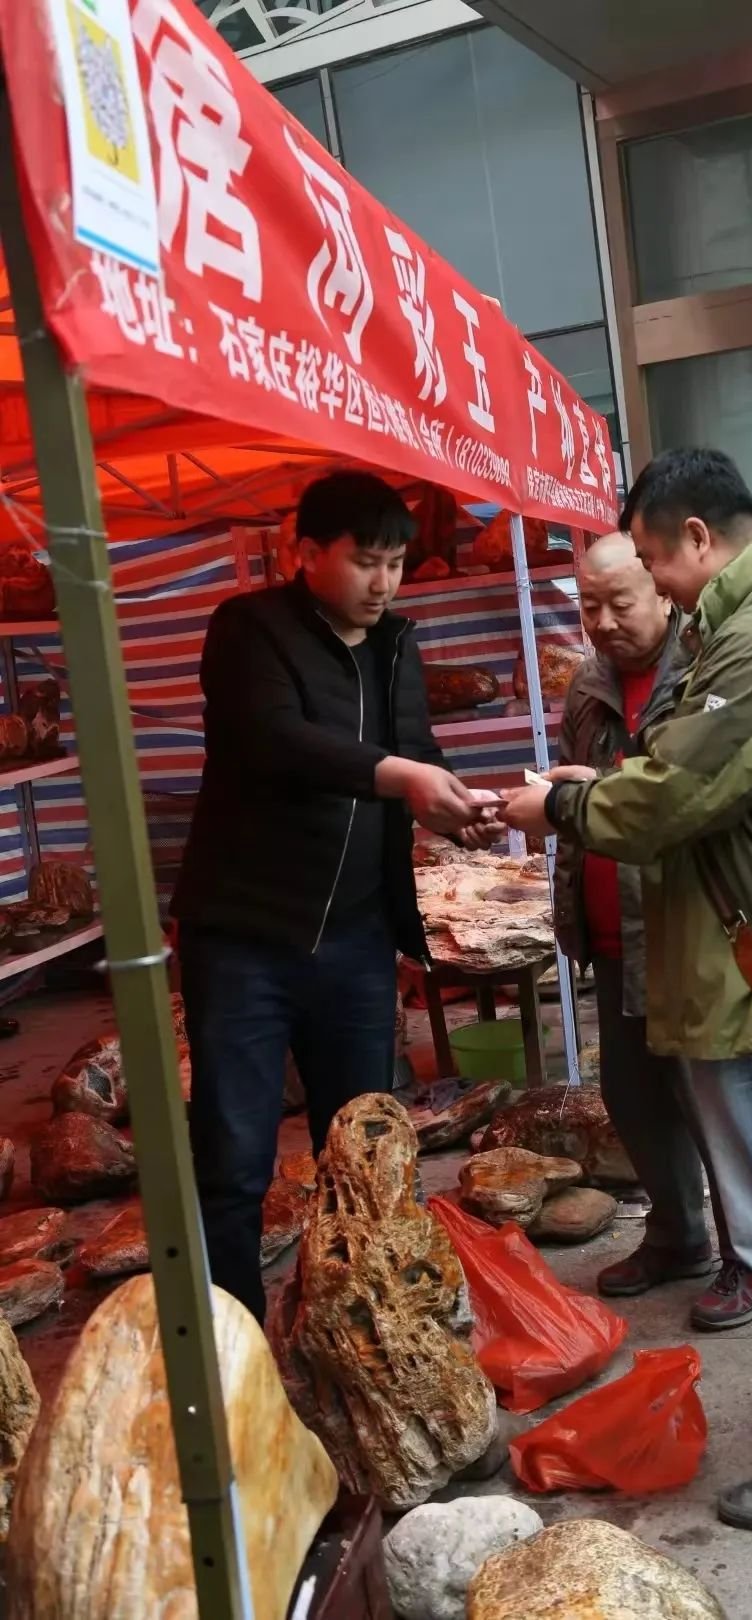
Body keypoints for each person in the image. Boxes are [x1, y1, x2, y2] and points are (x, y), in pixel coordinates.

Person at [504, 447, 752, 1531]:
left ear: (695, 538)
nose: (649, 589)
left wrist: (565, 807)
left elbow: (672, 794)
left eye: (650, 564)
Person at [173, 469, 493, 1324]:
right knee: (234, 1156)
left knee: (362, 1148)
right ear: (305, 552)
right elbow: (275, 741)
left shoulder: (396, 645)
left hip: (354, 939)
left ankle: (362, 1326)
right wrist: (403, 777)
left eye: (396, 563)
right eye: (365, 562)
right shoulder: (248, 629)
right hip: (244, 937)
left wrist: (457, 810)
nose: (384, 583)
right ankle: (233, 1340)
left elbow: (418, 749)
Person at [553, 533, 752, 1330]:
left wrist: (596, 791)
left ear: (662, 594)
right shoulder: (586, 686)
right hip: (611, 935)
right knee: (633, 1095)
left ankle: (751, 1257)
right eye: (589, 606)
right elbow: (578, 810)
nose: (603, 621)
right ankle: (678, 1236)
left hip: (683, 931)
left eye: (619, 602)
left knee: (709, 1103)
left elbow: (688, 795)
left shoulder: (704, 671)